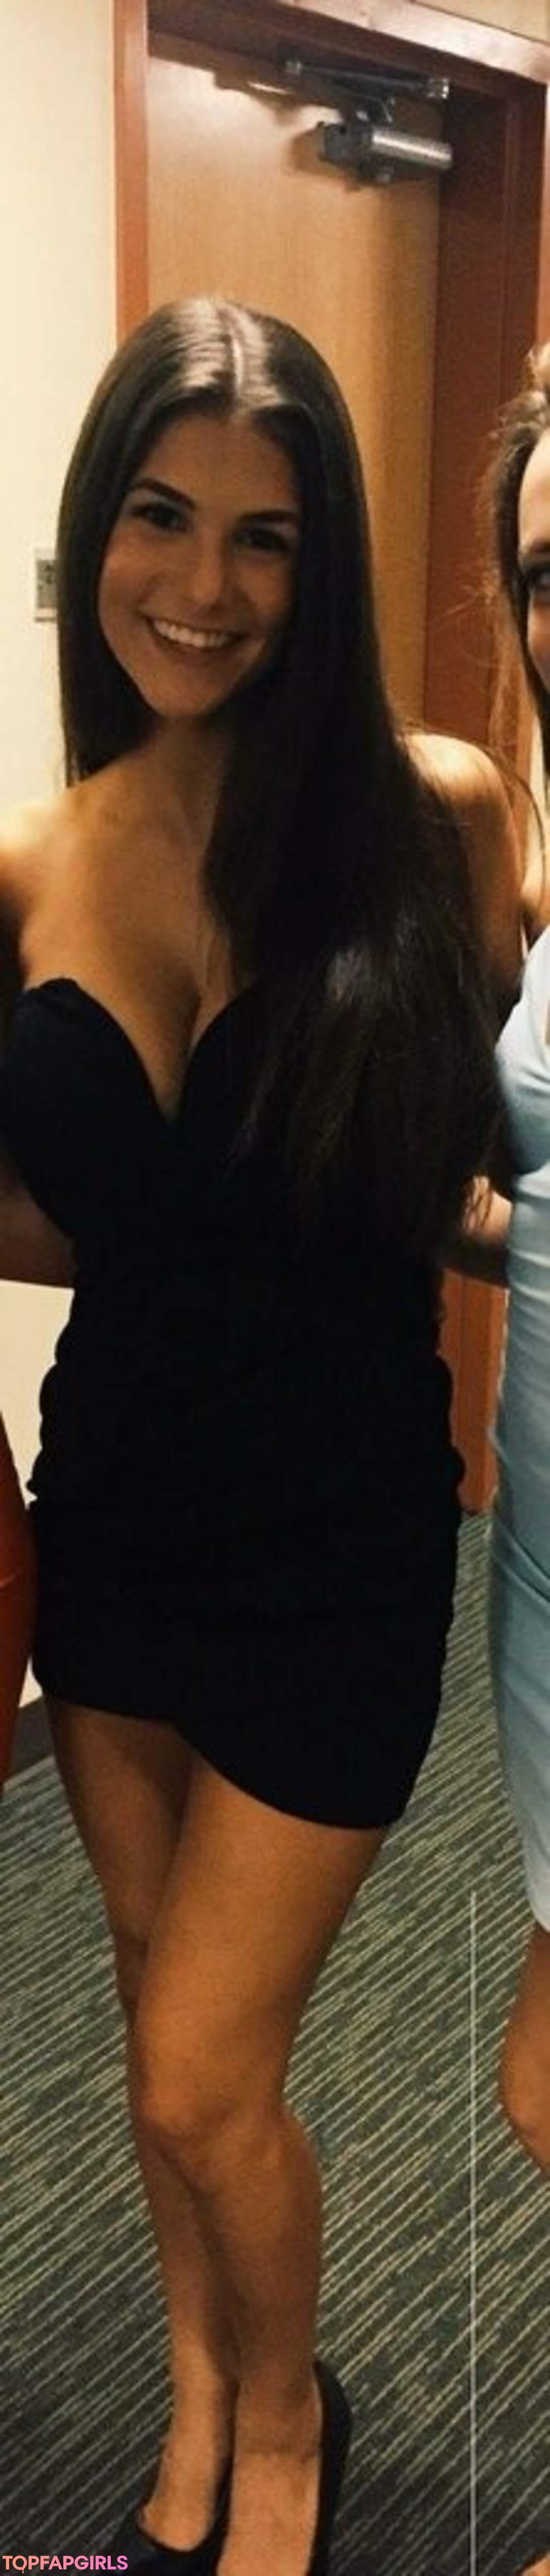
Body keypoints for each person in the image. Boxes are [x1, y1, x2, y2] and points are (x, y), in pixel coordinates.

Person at [0, 296, 520, 2576]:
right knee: (147, 2016)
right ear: (94, 532)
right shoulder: (34, 862)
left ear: (328, 560)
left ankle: (290, 2425)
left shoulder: (434, 816)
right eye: (160, 515)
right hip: (116, 1513)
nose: (203, 584)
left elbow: (462, 1154)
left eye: (267, 535)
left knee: (209, 2069)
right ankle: (201, 2390)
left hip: (337, 1542)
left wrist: (500, 1260)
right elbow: (48, 1209)